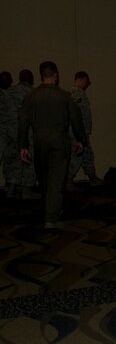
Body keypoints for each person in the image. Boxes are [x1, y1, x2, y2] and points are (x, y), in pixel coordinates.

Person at [17, 61, 87, 228]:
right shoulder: (64, 96)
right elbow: (77, 120)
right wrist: (81, 140)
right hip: (59, 142)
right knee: (57, 179)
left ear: (41, 76)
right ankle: (51, 217)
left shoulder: (31, 96)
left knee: (44, 179)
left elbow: (22, 122)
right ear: (56, 75)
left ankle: (51, 209)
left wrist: (23, 145)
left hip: (39, 141)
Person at [4, 69, 38, 199]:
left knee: (15, 160)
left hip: (11, 132)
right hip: (27, 132)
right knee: (29, 159)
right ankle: (27, 189)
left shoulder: (9, 92)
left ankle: (11, 188)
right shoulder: (33, 93)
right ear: (31, 79)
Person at [68, 71, 101, 185]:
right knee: (77, 157)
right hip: (77, 132)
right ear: (81, 79)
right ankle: (68, 180)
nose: (88, 84)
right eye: (87, 81)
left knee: (87, 155)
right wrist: (79, 134)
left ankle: (92, 177)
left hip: (82, 132)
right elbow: (77, 115)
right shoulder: (76, 93)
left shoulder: (79, 93)